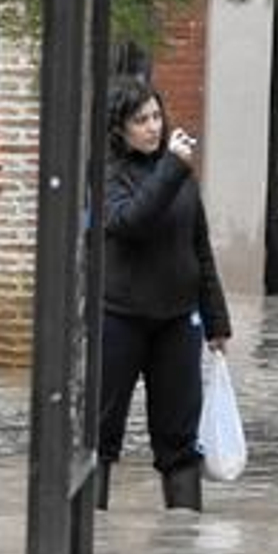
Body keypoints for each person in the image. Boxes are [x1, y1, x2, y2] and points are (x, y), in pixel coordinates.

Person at [97, 77, 231, 512]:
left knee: (179, 439)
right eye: (141, 120)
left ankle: (183, 540)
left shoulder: (180, 176)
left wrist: (216, 321)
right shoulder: (108, 176)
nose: (153, 127)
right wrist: (174, 167)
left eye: (156, 116)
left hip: (177, 320)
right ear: (120, 128)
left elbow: (200, 248)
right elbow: (132, 222)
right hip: (118, 318)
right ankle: (88, 528)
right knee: (100, 433)